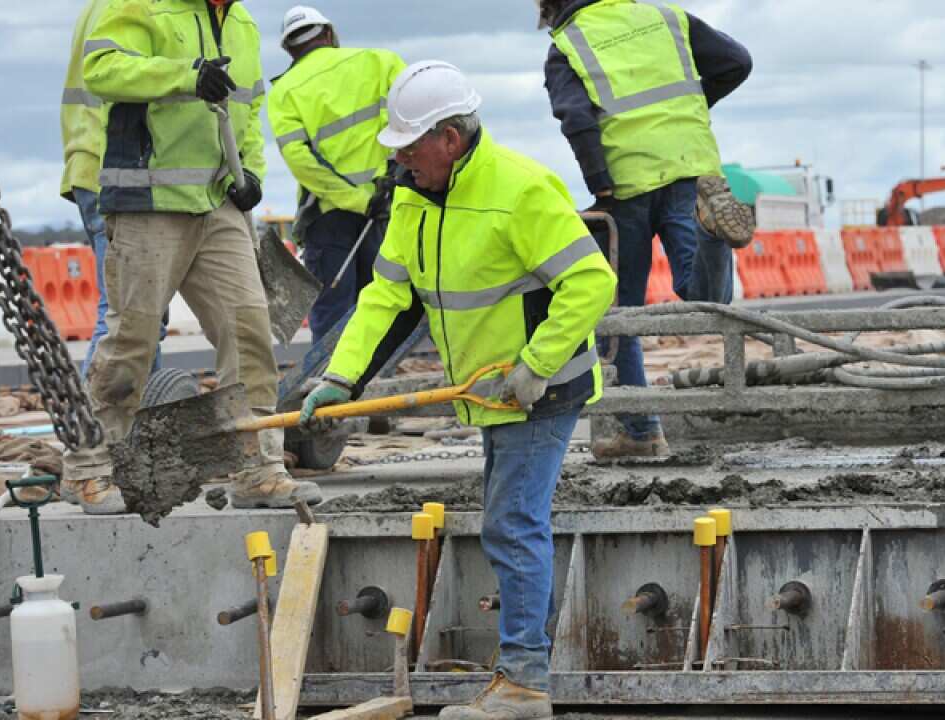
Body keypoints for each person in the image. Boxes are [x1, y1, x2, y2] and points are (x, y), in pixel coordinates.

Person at [300, 61, 615, 720]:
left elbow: (591, 281)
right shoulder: (413, 199)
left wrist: (534, 365)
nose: (403, 157)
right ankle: (519, 677)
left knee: (513, 522)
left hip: (541, 388)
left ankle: (525, 685)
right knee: (512, 521)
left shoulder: (520, 189)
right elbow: (385, 296)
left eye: (411, 145)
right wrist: (337, 377)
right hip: (489, 393)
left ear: (451, 136)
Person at [68, 0, 322, 514]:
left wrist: (248, 174)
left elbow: (248, 114)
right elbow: (101, 70)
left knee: (248, 328)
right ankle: (90, 468)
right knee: (132, 338)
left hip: (218, 202)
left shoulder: (243, 26)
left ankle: (257, 466)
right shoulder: (139, 6)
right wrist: (185, 76)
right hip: (148, 200)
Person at [539, 0, 753, 458]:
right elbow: (737, 62)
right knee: (704, 299)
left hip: (624, 184)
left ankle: (641, 433)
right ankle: (712, 233)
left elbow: (576, 118)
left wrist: (600, 183)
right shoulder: (665, 18)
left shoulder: (568, 43)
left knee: (617, 314)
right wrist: (690, 107)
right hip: (690, 167)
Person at [267, 6, 406, 342]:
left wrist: (357, 201)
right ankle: (375, 386)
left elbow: (302, 161)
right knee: (384, 306)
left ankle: (333, 391)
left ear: (289, 49)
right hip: (386, 209)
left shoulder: (284, 92)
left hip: (330, 220)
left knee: (333, 318)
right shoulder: (380, 61)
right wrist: (386, 183)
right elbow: (406, 121)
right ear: (328, 34)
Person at [59, 0, 167, 381]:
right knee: (127, 318)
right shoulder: (133, 7)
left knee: (137, 317)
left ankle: (136, 424)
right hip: (116, 170)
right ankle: (98, 425)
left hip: (92, 165)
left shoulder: (96, 8)